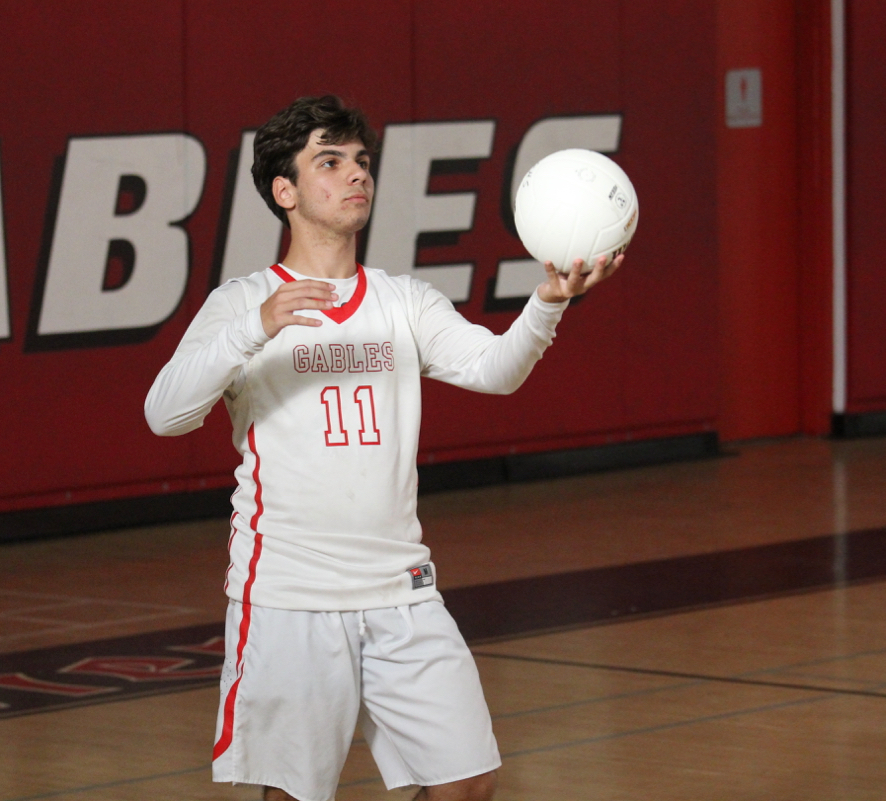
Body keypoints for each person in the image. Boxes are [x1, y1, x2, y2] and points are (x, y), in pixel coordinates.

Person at [144, 95, 620, 801]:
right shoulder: (242, 304)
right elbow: (165, 414)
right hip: (289, 597)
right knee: (294, 794)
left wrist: (546, 301)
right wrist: (256, 325)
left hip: (401, 592)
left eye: (361, 161)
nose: (355, 175)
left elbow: (493, 369)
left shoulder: (403, 301)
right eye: (329, 162)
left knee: (467, 780)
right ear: (285, 191)